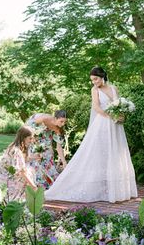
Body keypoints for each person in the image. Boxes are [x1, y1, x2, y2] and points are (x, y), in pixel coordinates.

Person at [45, 67, 138, 203]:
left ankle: (118, 190)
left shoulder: (114, 88)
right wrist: (111, 116)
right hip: (103, 124)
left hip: (116, 126)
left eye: (96, 79)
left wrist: (121, 116)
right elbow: (97, 107)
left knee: (116, 153)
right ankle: (100, 188)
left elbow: (119, 105)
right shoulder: (95, 90)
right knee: (101, 154)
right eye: (92, 80)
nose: (94, 82)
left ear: (102, 76)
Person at [0, 126, 37, 201]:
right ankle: (16, 200)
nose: (32, 140)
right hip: (4, 178)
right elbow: (22, 171)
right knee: (27, 175)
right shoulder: (16, 151)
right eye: (30, 138)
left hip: (6, 174)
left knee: (29, 171)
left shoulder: (17, 146)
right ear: (23, 138)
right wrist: (33, 186)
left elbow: (22, 161)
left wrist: (34, 157)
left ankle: (17, 201)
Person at [25, 110, 67, 189]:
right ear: (55, 118)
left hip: (45, 139)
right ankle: (35, 186)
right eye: (61, 121)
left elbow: (59, 147)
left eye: (64, 122)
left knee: (48, 156)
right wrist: (32, 138)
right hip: (35, 134)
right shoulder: (44, 118)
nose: (63, 124)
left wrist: (64, 161)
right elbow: (29, 127)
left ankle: (50, 187)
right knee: (36, 160)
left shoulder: (59, 130)